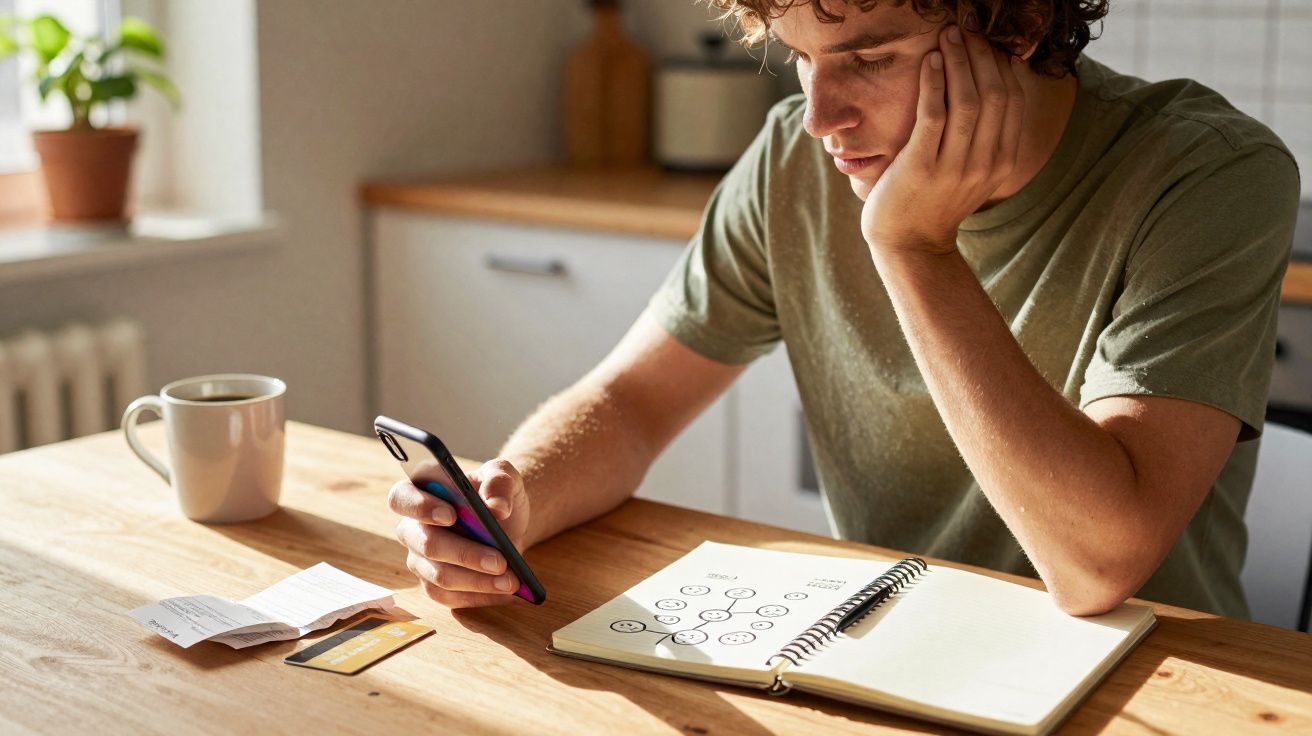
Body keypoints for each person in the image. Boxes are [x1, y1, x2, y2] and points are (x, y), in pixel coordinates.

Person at [388, 0, 1300, 618]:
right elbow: (631, 404)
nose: (820, 112)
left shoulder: (1208, 172)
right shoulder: (794, 157)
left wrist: (912, 246)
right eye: (800, 59)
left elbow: (1099, 564)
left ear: (1018, 23)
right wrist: (513, 499)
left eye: (868, 57)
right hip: (885, 649)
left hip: (1149, 676)